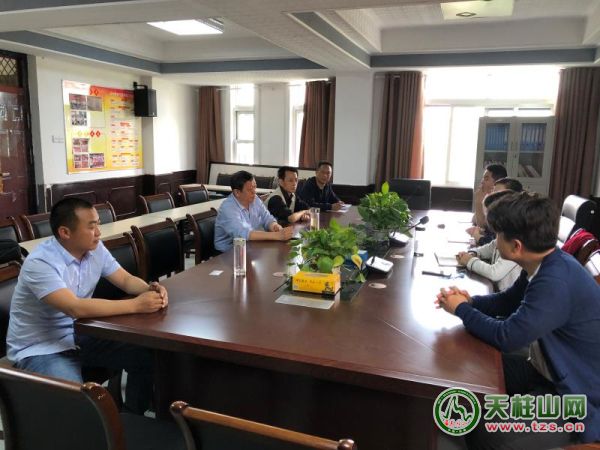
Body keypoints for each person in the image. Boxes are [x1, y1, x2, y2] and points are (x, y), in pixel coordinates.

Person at [436, 192, 600, 448]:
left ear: (516, 246)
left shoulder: (555, 282)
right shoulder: (546, 262)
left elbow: (507, 337)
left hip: (573, 396)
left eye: (498, 235)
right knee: (466, 371)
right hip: (545, 370)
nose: (495, 240)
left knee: (488, 434)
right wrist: (470, 302)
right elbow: (507, 301)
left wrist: (462, 310)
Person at [7, 198, 167, 414]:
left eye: (98, 224)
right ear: (65, 232)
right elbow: (75, 308)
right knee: (77, 404)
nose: (99, 232)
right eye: (91, 227)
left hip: (79, 334)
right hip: (42, 347)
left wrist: (149, 289)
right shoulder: (40, 262)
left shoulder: (95, 249)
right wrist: (136, 305)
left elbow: (125, 280)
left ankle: (131, 417)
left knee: (145, 355)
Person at [456, 190, 521, 292]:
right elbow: (487, 249)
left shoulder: (514, 241)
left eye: (487, 214)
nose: (486, 219)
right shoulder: (501, 235)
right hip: (500, 292)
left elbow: (494, 273)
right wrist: (473, 253)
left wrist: (469, 260)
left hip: (506, 293)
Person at [214, 170, 294, 252]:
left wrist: (275, 226)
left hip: (249, 246)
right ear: (237, 192)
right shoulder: (227, 208)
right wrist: (277, 236)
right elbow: (243, 234)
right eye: (249, 189)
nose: (254, 192)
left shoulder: (254, 199)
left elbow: (267, 218)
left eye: (255, 187)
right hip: (227, 252)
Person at [471, 164, 508, 230]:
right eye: (483, 178)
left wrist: (478, 202)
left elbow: (483, 225)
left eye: (486, 179)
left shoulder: (504, 201)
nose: (482, 182)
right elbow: (474, 219)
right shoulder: (489, 197)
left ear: (497, 182)